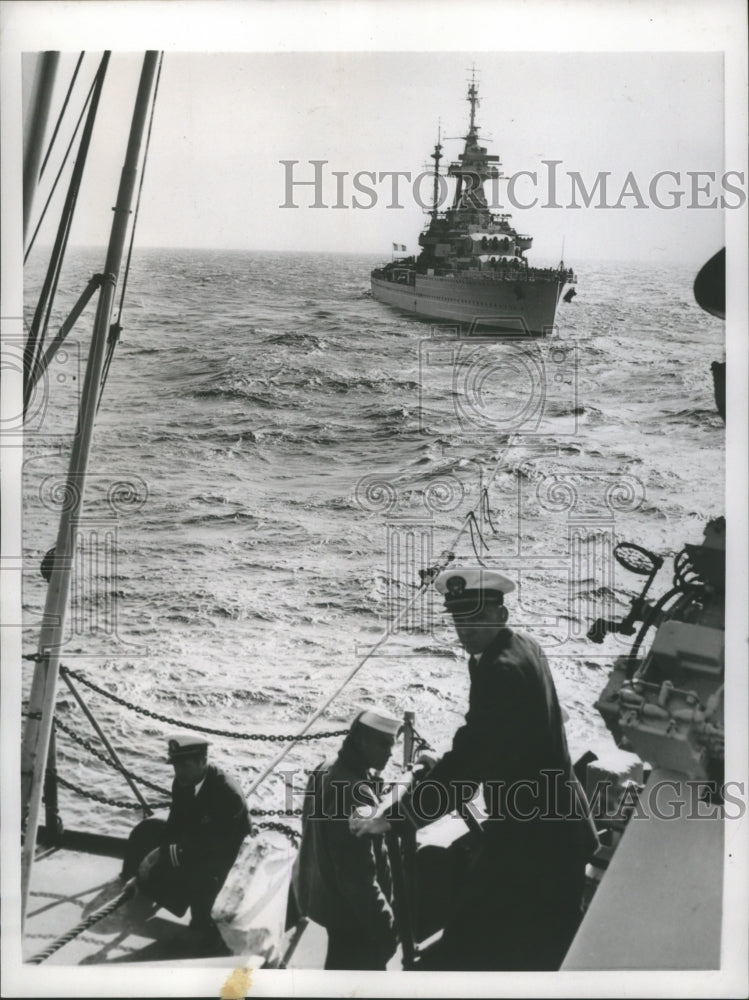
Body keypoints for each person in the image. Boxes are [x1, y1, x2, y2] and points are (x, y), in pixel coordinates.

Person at [351, 567, 599, 971]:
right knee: (538, 942)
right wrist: (450, 762)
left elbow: (469, 765)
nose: (465, 629)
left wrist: (396, 816)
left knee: (474, 946)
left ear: (501, 615)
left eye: (477, 617)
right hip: (557, 826)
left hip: (534, 842)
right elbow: (498, 738)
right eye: (459, 618)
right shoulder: (522, 647)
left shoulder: (499, 670)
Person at [287, 708, 402, 970]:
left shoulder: (325, 769)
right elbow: (357, 879)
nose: (390, 753)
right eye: (384, 744)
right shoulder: (354, 794)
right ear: (362, 741)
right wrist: (387, 929)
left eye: (392, 745)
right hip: (351, 919)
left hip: (318, 902)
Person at [124, 736, 252, 954]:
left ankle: (208, 929)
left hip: (228, 858)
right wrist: (151, 863)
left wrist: (169, 858)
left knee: (202, 913)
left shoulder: (226, 795)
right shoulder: (183, 782)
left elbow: (213, 850)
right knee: (152, 876)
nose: (178, 772)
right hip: (197, 846)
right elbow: (174, 826)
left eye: (184, 765)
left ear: (203, 762)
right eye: (175, 765)